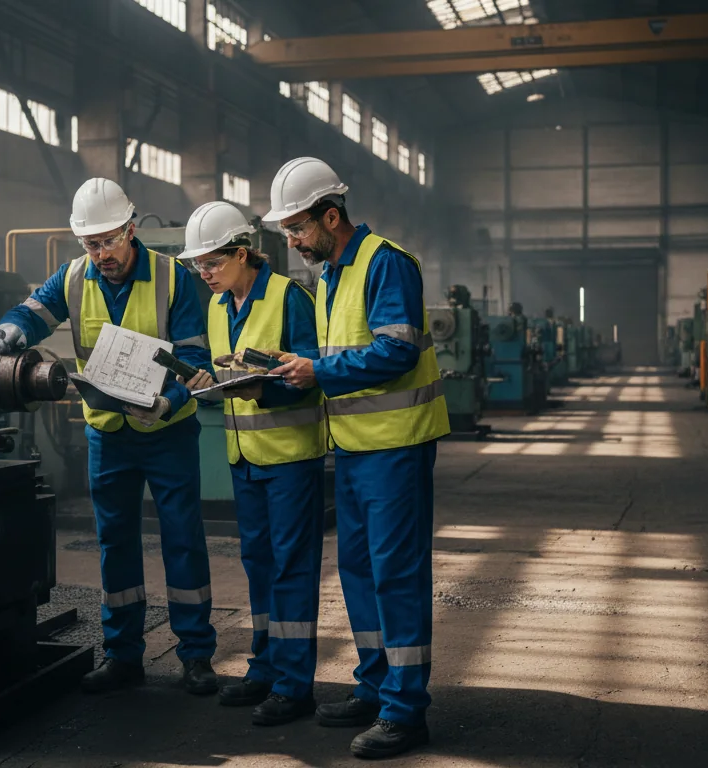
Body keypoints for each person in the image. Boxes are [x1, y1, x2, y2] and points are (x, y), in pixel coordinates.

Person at [0, 178, 219, 696]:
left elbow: (197, 363)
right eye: (91, 243)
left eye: (109, 240)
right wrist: (9, 330)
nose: (101, 253)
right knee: (116, 545)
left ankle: (196, 656)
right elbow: (32, 313)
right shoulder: (73, 277)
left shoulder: (172, 279)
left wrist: (168, 404)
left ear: (131, 229)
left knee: (183, 541)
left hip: (166, 432)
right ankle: (123, 656)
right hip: (108, 435)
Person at [266, 157, 450, 759]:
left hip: (395, 448)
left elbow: (394, 353)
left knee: (396, 576)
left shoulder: (385, 264)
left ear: (331, 216)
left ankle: (406, 710)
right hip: (353, 447)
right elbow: (343, 355)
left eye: (297, 229)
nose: (292, 242)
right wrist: (293, 368)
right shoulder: (330, 276)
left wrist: (317, 371)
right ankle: (375, 687)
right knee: (360, 573)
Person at [173, 201, 327, 726]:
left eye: (212, 264)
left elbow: (312, 378)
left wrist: (265, 388)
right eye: (199, 267)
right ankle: (264, 667)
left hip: (289, 459)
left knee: (291, 569)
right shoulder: (218, 308)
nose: (206, 275)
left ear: (243, 253)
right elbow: (228, 377)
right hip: (244, 456)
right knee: (258, 565)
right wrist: (206, 384)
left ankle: (293, 685)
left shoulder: (290, 298)